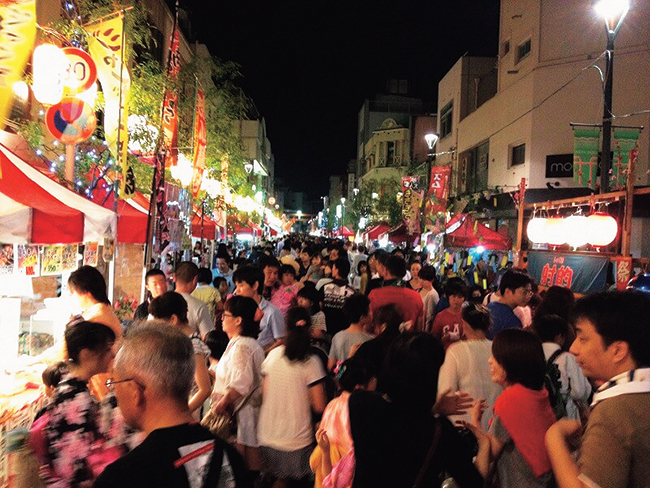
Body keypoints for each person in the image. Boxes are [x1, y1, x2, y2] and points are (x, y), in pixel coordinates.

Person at [94, 323, 250, 488]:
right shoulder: (231, 457)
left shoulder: (122, 477)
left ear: (135, 391)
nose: (114, 391)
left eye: (115, 383)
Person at [349, 333, 489, 487]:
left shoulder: (360, 404)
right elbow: (473, 483)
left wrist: (433, 408)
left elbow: (400, 417)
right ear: (432, 377)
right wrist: (484, 444)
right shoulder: (440, 431)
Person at [545, 291, 650, 488]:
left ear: (618, 351)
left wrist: (554, 436)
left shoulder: (615, 412)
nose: (573, 348)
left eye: (583, 339)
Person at [468, 328, 556, 488]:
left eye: (496, 357)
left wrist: (475, 423)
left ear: (511, 364)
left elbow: (490, 453)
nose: (489, 361)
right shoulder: (538, 393)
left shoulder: (511, 400)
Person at [43, 321, 123, 486]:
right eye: (107, 349)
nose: (112, 355)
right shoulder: (77, 398)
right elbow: (75, 466)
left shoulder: (69, 385)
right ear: (86, 354)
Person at [257, 307, 328, 486]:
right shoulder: (312, 362)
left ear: (286, 329)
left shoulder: (272, 356)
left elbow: (264, 395)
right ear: (310, 330)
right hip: (296, 440)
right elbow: (319, 406)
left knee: (277, 479)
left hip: (267, 435)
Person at [211, 295, 265, 474]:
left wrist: (222, 404)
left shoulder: (242, 346)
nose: (222, 318)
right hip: (243, 414)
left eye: (225, 315)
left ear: (238, 320)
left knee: (243, 467)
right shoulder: (241, 343)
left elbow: (240, 383)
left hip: (242, 415)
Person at [311, 357, 374, 488]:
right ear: (360, 387)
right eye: (372, 379)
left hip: (326, 470)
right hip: (347, 473)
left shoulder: (332, 405)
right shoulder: (361, 409)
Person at [437, 302, 501, 430]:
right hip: (494, 428)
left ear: (464, 324)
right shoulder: (499, 349)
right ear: (488, 326)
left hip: (463, 428)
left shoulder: (456, 350)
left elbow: (445, 394)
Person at [149, 292, 212, 418]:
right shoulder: (181, 342)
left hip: (184, 415)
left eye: (160, 324)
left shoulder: (192, 347)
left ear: (173, 319)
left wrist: (181, 414)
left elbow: (204, 389)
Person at [68, 265, 122, 400]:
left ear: (86, 293)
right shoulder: (102, 310)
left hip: (102, 382)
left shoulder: (96, 316)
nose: (72, 297)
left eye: (74, 293)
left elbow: (63, 350)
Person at [531, 314, 591, 420]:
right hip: (565, 414)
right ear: (559, 336)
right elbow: (579, 391)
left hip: (539, 412)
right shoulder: (567, 358)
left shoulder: (533, 355)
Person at [233, 265, 285, 354]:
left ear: (255, 286)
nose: (236, 291)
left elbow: (281, 341)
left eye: (241, 286)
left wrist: (261, 354)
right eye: (236, 286)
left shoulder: (272, 311)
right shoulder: (238, 309)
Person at [368, 255, 424, 332]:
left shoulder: (374, 295)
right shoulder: (416, 296)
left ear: (385, 271)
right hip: (407, 342)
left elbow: (368, 324)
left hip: (380, 342)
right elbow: (419, 328)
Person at [328, 294, 375, 372]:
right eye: (369, 310)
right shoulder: (371, 340)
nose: (372, 314)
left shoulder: (337, 337)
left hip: (341, 381)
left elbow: (330, 367)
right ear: (362, 317)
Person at [487, 270, 533, 339]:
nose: (527, 296)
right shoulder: (511, 321)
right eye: (524, 292)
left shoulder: (490, 306)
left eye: (529, 292)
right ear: (507, 291)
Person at [174, 261, 214, 338]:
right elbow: (207, 336)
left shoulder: (159, 303)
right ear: (195, 280)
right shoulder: (199, 307)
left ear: (174, 277)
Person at [319, 258, 356, 337]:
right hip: (344, 331)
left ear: (337, 270)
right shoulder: (351, 292)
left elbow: (319, 306)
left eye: (333, 267)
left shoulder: (325, 287)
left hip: (327, 329)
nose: (332, 270)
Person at [431, 278, 467, 349]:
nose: (456, 300)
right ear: (448, 297)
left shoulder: (467, 316)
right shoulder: (440, 317)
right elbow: (434, 339)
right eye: (453, 296)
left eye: (460, 297)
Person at [418, 265, 439, 332]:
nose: (421, 281)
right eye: (420, 278)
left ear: (432, 280)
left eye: (424, 280)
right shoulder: (420, 290)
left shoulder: (432, 294)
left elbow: (430, 317)